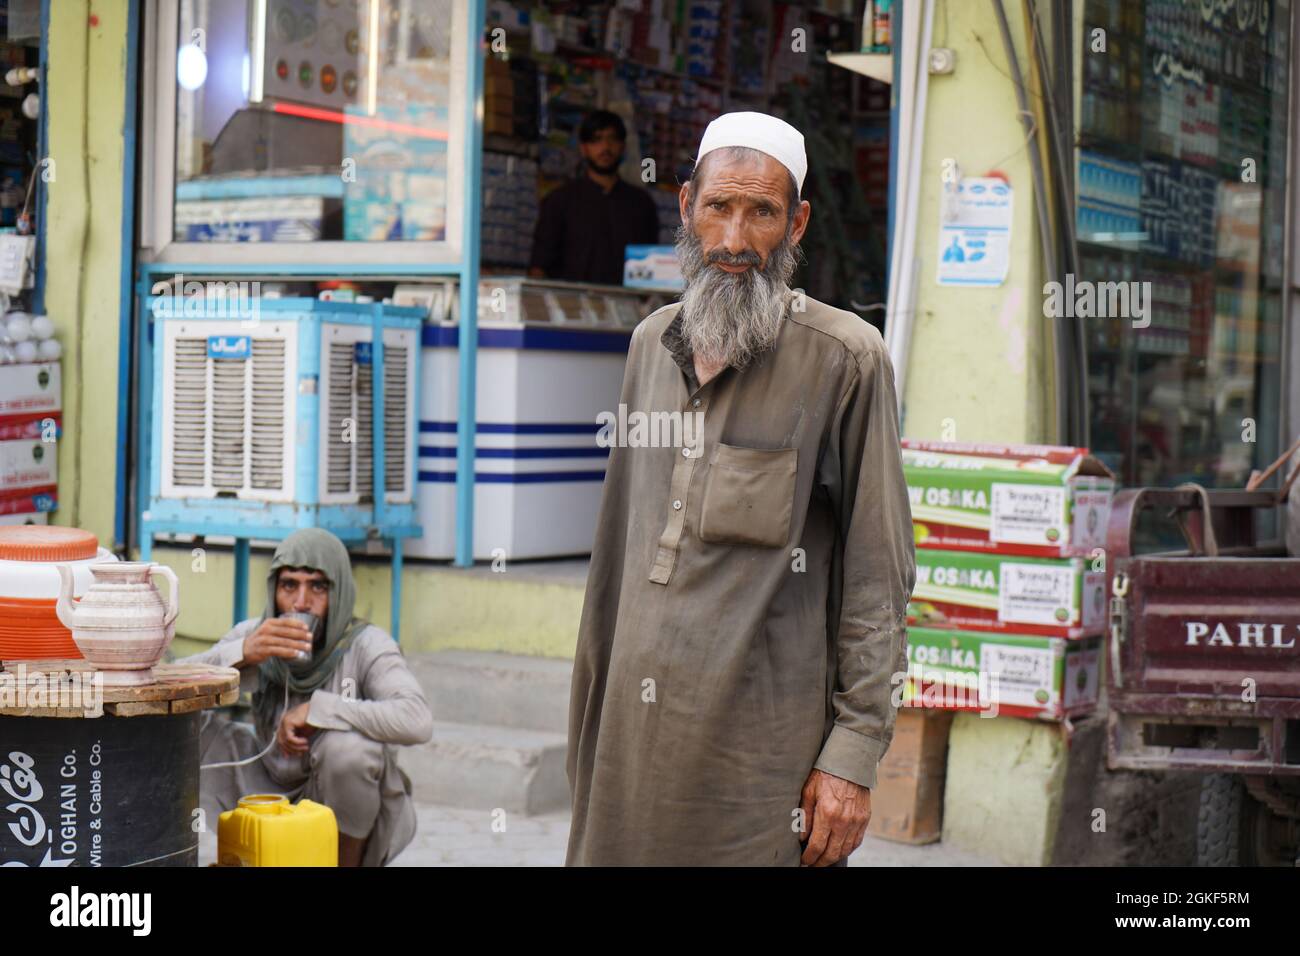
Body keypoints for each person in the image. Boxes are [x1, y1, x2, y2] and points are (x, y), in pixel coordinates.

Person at [565, 112, 916, 866]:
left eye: (762, 212)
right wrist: (587, 723)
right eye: (719, 207)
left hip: (760, 762)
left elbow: (878, 575)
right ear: (686, 205)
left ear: (797, 224)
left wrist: (853, 756)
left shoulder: (845, 359)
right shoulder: (649, 345)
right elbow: (618, 554)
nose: (734, 239)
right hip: (628, 735)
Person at [184, 528, 433, 867]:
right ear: (274, 590)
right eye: (289, 585)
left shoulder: (366, 644)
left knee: (349, 752)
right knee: (185, 730)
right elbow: (172, 680)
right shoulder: (258, 633)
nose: (301, 602)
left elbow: (417, 719)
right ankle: (217, 853)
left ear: (339, 592)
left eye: (318, 587)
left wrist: (319, 710)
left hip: (330, 795)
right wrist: (243, 653)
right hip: (264, 784)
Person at [528, 109, 659, 285]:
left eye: (612, 139)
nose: (605, 147)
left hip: (626, 301)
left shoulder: (641, 204)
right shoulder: (560, 201)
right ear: (584, 149)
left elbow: (650, 270)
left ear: (622, 146)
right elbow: (539, 267)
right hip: (571, 300)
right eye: (596, 140)